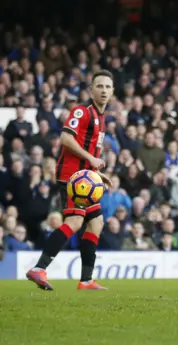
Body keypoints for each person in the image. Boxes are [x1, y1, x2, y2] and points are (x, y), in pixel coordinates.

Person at [26, 70, 115, 291]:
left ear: (112, 91)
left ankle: (86, 280)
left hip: (85, 177)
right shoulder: (81, 111)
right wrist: (92, 159)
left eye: (107, 87)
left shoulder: (101, 118)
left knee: (96, 223)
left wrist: (96, 172)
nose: (103, 90)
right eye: (99, 86)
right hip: (71, 176)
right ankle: (39, 268)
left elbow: (88, 151)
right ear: (91, 90)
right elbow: (66, 138)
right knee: (75, 222)